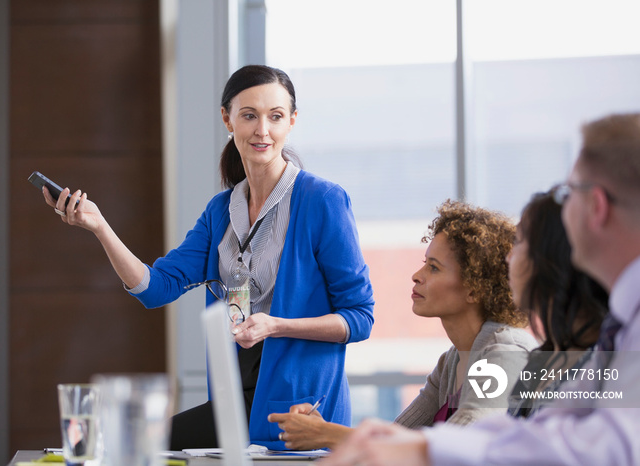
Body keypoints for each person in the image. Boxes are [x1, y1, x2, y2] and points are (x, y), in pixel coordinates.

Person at [42, 64, 375, 450]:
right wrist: (99, 226)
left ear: (292, 121)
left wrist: (275, 325)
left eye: (276, 117)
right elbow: (155, 288)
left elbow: (360, 317)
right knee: (138, 447)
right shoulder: (221, 212)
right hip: (233, 406)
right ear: (227, 119)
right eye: (249, 116)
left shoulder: (322, 201)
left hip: (298, 412)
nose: (262, 130)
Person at [319, 112, 640, 466]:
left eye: (569, 193)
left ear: (596, 206)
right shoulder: (599, 337)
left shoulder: (509, 350)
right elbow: (541, 434)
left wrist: (405, 447)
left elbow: (603, 446)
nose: (507, 261)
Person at [269, 200, 537, 450]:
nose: (416, 276)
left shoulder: (506, 352)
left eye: (433, 268)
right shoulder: (451, 363)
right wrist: (324, 429)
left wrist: (329, 434)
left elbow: (460, 446)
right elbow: (400, 435)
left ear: (475, 288)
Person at [507, 190, 608, 418]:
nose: (508, 257)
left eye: (518, 242)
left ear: (550, 256)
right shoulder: (538, 360)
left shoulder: (603, 365)